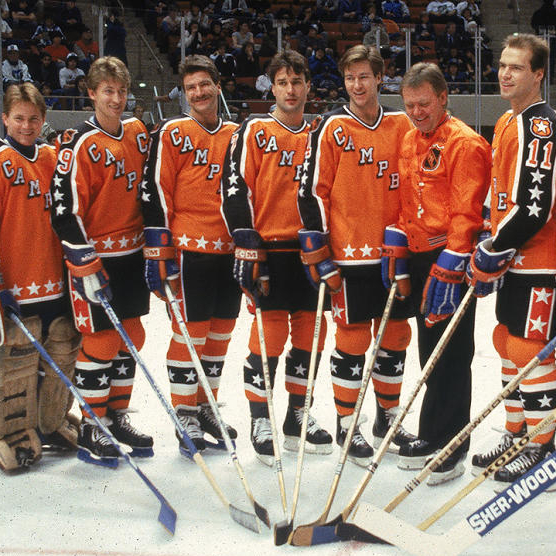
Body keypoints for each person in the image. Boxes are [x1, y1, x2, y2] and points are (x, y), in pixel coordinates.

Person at [296, 44, 415, 465]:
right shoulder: (331, 127)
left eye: (364, 76)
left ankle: (388, 417)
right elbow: (311, 192)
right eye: (350, 78)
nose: (357, 85)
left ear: (380, 78)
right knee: (352, 339)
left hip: (394, 254)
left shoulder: (402, 124)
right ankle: (348, 423)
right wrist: (319, 252)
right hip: (348, 257)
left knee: (397, 337)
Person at [0, 82, 79, 471]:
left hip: (56, 280)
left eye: (34, 118)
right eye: (19, 118)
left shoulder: (53, 157)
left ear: (44, 119)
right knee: (17, 364)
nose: (27, 126)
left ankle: (49, 422)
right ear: (5, 118)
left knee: (62, 351)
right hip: (14, 284)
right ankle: (6, 434)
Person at [465, 34, 556, 487]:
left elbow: (535, 205)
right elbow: (502, 195)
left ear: (538, 74)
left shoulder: (543, 124)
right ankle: (517, 432)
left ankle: (540, 446)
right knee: (508, 343)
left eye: (517, 68)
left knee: (532, 351)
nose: (505, 74)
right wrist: (489, 236)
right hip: (512, 261)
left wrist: (495, 247)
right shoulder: (509, 122)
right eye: (503, 66)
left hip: (539, 262)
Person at [222, 49, 336, 464]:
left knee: (311, 337)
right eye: (282, 82)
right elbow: (233, 189)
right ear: (272, 86)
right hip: (269, 248)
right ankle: (259, 418)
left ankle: (297, 415)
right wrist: (247, 245)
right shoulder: (252, 129)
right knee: (268, 338)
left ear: (308, 86)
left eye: (297, 81)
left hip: (311, 251)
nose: (290, 89)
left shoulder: (321, 132)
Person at [383, 62, 489, 483]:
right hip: (419, 255)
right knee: (429, 351)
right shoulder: (409, 139)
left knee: (451, 352)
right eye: (409, 105)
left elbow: (468, 211)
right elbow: (405, 198)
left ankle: (451, 443)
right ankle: (432, 432)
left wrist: (455, 263)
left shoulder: (467, 143)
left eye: (424, 103)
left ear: (444, 97)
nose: (416, 112)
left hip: (451, 259)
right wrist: (398, 243)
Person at [49, 56, 154, 463]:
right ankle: (93, 425)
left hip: (132, 255)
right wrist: (86, 264)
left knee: (132, 337)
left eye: (122, 91)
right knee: (101, 341)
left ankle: (116, 416)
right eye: (107, 91)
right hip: (95, 260)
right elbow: (63, 213)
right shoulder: (77, 144)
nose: (116, 98)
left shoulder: (137, 133)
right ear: (91, 93)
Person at [139, 55, 240, 453]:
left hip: (229, 252)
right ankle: (185, 414)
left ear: (217, 86)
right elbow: (155, 192)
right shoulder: (172, 132)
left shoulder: (237, 133)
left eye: (204, 85)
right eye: (190, 87)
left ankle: (206, 405)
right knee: (190, 334)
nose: (198, 93)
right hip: (188, 250)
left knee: (219, 336)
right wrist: (158, 251)